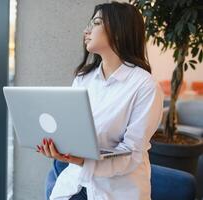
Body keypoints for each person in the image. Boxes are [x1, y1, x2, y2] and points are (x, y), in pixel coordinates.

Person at [36, 2, 164, 200]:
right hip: (74, 183)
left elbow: (131, 154)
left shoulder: (145, 86)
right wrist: (58, 145)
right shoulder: (83, 78)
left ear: (119, 31)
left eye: (95, 23)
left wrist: (83, 161)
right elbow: (72, 130)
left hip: (116, 191)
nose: (86, 31)